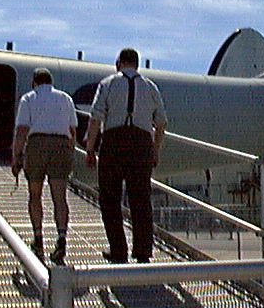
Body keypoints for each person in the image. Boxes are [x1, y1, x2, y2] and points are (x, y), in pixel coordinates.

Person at [85, 48, 167, 264]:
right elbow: (160, 123)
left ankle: (118, 250)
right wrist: (155, 150)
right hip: (141, 143)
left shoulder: (108, 83)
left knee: (109, 198)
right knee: (140, 199)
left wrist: (90, 149)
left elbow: (95, 118)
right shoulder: (150, 87)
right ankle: (143, 251)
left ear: (119, 62)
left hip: (114, 140)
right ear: (137, 64)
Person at [11, 68, 78, 265]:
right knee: (59, 196)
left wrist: (17, 156)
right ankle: (62, 238)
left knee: (35, 194)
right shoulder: (65, 98)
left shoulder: (28, 99)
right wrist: (70, 152)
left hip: (37, 144)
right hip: (61, 144)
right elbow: (72, 130)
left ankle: (38, 238)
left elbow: (22, 129)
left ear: (34, 82)